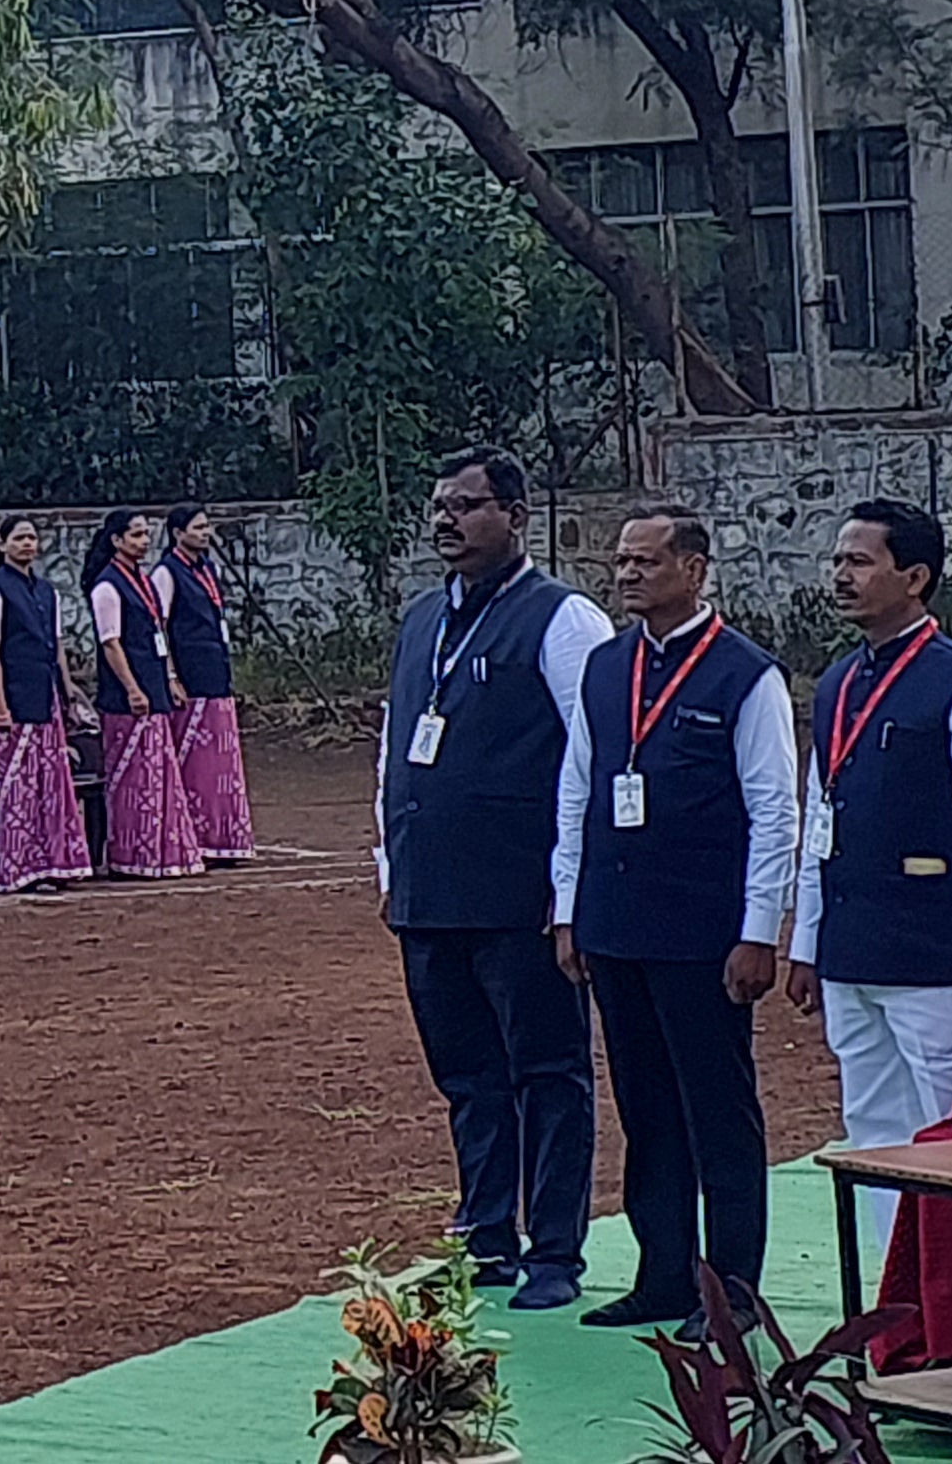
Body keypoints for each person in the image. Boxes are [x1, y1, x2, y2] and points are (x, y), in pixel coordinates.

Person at [554, 501, 795, 1339]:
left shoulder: (745, 675)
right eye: (621, 560)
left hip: (704, 932)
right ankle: (662, 1275)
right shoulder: (604, 666)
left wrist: (759, 929)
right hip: (616, 922)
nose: (627, 574)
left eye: (646, 561)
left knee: (717, 1111)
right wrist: (568, 909)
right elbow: (578, 788)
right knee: (646, 1108)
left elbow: (774, 809)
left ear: (693, 570)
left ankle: (733, 1293)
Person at [383, 450, 612, 1314]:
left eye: (466, 505)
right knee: (468, 1077)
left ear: (515, 515)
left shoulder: (562, 620)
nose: (447, 520)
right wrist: (389, 862)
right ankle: (485, 1235)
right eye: (439, 506)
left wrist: (572, 889)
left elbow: (594, 754)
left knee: (548, 1073)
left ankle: (554, 1249)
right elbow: (394, 747)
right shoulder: (421, 620)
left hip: (523, 897)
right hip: (429, 893)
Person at [781, 500, 952, 1255]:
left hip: (933, 956)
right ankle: (896, 1291)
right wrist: (807, 941)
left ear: (915, 577)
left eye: (860, 562)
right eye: (838, 560)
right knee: (874, 1131)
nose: (841, 575)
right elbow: (821, 820)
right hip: (852, 950)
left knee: (950, 1131)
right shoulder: (835, 684)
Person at [0, 517, 94, 894]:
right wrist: (0, 706)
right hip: (13, 700)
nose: (27, 544)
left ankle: (55, 862)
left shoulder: (45, 591)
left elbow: (56, 648)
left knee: (51, 785)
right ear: (3, 544)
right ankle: (19, 867)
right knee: (18, 788)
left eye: (31, 538)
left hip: (45, 699)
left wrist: (67, 693)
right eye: (19, 538)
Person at [84, 509, 206, 880]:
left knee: (158, 773)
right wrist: (132, 688)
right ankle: (131, 854)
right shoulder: (107, 586)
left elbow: (157, 634)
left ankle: (162, 850)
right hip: (126, 695)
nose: (144, 541)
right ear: (116, 540)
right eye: (135, 535)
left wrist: (168, 676)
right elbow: (111, 643)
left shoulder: (144, 582)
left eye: (145, 534)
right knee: (133, 778)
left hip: (153, 684)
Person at [159, 504, 255, 866]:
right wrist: (170, 675)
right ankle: (197, 837)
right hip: (190, 678)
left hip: (216, 674)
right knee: (197, 764)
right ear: (177, 533)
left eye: (206, 526)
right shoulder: (167, 573)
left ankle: (224, 836)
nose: (205, 533)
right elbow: (159, 626)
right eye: (197, 528)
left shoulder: (207, 569)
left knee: (221, 763)